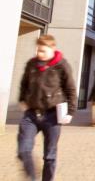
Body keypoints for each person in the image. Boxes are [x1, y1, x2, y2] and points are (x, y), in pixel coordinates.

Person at [18, 34, 76, 181]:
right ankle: (33, 177)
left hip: (52, 115)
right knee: (23, 150)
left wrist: (70, 112)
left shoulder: (62, 65)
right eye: (38, 50)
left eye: (43, 51)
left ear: (52, 49)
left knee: (49, 156)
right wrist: (22, 100)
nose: (39, 54)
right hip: (31, 115)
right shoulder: (31, 64)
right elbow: (24, 83)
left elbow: (70, 89)